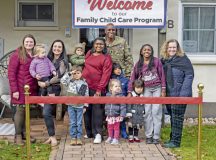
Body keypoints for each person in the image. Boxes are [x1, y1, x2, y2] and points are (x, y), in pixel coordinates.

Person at [128, 44, 166, 144]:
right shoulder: (139, 64)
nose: (147, 51)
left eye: (149, 50)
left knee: (156, 112)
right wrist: (129, 91)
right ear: (141, 52)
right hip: (146, 89)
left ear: (151, 51)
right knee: (147, 113)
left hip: (157, 88)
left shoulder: (156, 61)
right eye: (144, 50)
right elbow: (133, 77)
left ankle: (156, 136)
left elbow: (162, 75)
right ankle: (149, 136)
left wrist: (163, 90)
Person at [160, 39, 194, 148]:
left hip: (179, 94)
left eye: (174, 47)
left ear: (177, 48)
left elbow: (189, 76)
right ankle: (172, 138)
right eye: (170, 47)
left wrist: (183, 95)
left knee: (177, 117)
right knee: (172, 117)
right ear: (166, 48)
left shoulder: (183, 60)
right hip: (169, 94)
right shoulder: (164, 60)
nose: (172, 49)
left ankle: (175, 142)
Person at [8, 34, 38, 145]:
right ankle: (18, 136)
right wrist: (14, 90)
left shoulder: (35, 55)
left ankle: (25, 134)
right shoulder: (17, 55)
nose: (29, 44)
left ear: (34, 43)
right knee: (20, 111)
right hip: (19, 89)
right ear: (23, 43)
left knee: (26, 112)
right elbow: (11, 74)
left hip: (30, 89)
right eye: (27, 42)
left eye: (31, 42)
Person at [38, 39, 69, 146]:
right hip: (43, 89)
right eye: (55, 46)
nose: (57, 48)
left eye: (59, 47)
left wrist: (45, 83)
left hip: (54, 89)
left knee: (46, 112)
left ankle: (52, 137)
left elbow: (58, 77)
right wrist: (38, 79)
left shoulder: (63, 62)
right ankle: (51, 136)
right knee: (47, 113)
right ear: (52, 48)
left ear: (62, 49)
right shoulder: (46, 58)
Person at [82, 37, 112, 144]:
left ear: (104, 46)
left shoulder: (106, 58)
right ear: (93, 45)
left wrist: (99, 89)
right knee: (86, 109)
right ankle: (89, 132)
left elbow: (106, 75)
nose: (98, 46)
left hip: (97, 88)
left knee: (97, 111)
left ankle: (98, 134)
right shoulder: (89, 54)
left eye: (101, 44)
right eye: (96, 44)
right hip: (84, 86)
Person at [60, 65, 88, 145]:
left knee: (79, 122)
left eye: (78, 73)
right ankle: (73, 137)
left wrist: (85, 106)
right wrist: (70, 73)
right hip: (71, 105)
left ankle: (79, 138)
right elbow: (62, 80)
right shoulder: (70, 81)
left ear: (81, 73)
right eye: (75, 73)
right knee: (72, 122)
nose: (76, 75)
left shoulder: (84, 83)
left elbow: (86, 95)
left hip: (80, 106)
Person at [105, 79, 126, 145]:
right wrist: (106, 112)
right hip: (110, 115)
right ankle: (110, 137)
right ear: (111, 88)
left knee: (116, 128)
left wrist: (122, 115)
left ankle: (115, 139)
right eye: (116, 86)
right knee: (109, 127)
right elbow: (107, 104)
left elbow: (123, 106)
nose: (118, 88)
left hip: (117, 115)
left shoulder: (121, 96)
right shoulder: (108, 95)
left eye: (119, 86)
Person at [111, 63, 129, 139]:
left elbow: (128, 90)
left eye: (119, 69)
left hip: (122, 102)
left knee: (122, 117)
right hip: (113, 101)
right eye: (115, 69)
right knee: (113, 117)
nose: (118, 70)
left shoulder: (125, 79)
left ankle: (123, 131)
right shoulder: (111, 80)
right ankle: (114, 132)